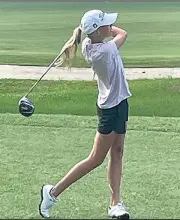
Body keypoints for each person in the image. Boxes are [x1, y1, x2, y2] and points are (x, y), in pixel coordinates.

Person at [39, 9, 132, 219]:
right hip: (111, 109)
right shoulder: (105, 50)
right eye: (106, 24)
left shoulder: (89, 44)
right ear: (98, 32)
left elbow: (106, 32)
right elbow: (123, 33)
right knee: (95, 159)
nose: (110, 26)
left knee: (117, 152)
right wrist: (104, 28)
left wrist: (93, 27)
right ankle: (52, 192)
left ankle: (115, 204)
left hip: (120, 103)